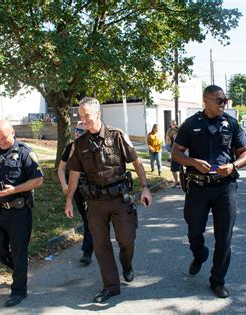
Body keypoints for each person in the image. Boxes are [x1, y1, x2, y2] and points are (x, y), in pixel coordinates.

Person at [65, 97, 153, 303]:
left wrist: (146, 188)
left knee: (126, 241)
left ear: (98, 114)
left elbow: (137, 163)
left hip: (119, 199)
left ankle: (127, 264)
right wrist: (69, 199)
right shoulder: (79, 144)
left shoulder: (117, 136)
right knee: (101, 245)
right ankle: (111, 286)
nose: (83, 119)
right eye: (80, 116)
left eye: (86, 115)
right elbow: (74, 174)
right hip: (95, 203)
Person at [172, 85, 246, 299]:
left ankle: (217, 280)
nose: (223, 103)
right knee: (194, 231)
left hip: (225, 187)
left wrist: (234, 165)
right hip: (198, 186)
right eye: (219, 100)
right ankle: (199, 255)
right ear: (206, 100)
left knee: (224, 237)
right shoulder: (191, 124)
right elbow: (176, 153)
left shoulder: (231, 124)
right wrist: (193, 162)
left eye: (224, 100)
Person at [0, 120, 44, 307]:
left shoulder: (24, 152)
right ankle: (19, 270)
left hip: (19, 212)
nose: (1, 142)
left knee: (18, 251)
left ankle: (18, 290)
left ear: (12, 133)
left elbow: (38, 180)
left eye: (4, 138)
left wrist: (14, 190)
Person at [58, 121, 93, 265]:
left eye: (82, 131)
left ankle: (87, 251)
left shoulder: (93, 147)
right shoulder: (70, 147)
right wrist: (64, 184)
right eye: (77, 130)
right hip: (76, 189)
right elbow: (61, 169)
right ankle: (90, 247)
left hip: (92, 189)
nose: (78, 133)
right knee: (87, 219)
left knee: (91, 219)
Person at [166, 120, 181, 187]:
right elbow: (168, 141)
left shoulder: (179, 130)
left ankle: (181, 182)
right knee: (173, 169)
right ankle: (176, 182)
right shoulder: (169, 131)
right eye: (173, 124)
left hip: (180, 152)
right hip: (173, 152)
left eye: (175, 124)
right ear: (171, 124)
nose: (174, 125)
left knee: (181, 169)